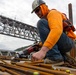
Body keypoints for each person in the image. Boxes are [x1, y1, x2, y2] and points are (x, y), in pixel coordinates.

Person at [31, 0, 76, 64]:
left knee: (41, 23)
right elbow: (49, 36)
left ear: (43, 7)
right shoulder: (46, 20)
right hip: (64, 42)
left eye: (37, 10)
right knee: (46, 54)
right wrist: (40, 45)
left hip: (68, 42)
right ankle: (63, 58)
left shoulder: (53, 13)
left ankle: (55, 58)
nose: (37, 13)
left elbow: (56, 30)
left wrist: (42, 51)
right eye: (35, 12)